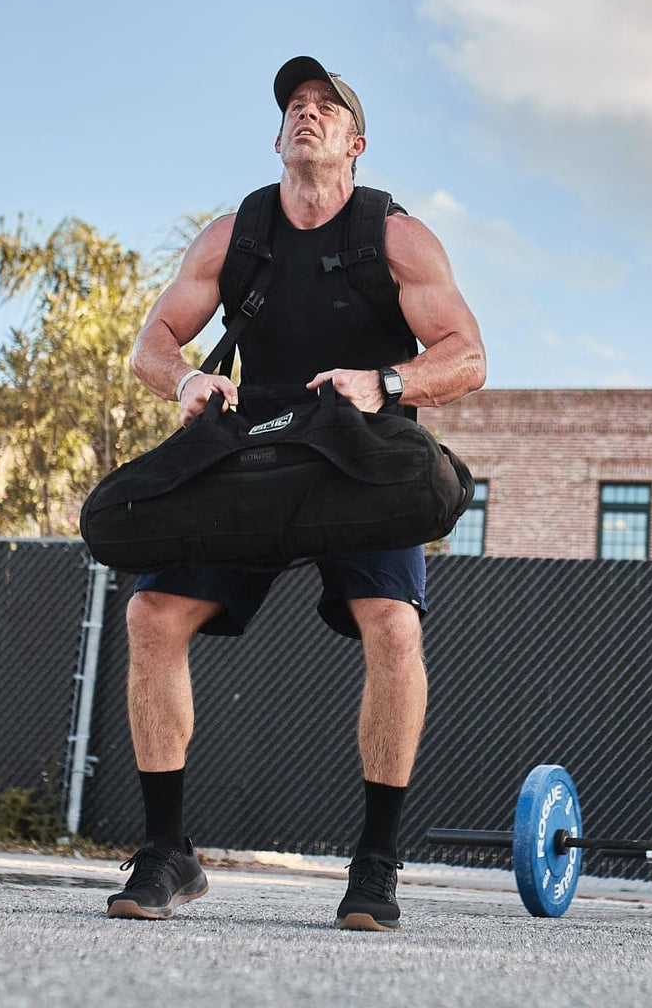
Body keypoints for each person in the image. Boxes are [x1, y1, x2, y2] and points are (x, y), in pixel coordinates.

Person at [107, 56, 486, 931]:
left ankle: (377, 862)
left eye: (326, 107)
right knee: (150, 613)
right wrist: (183, 384)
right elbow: (153, 340)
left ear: (355, 142)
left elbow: (468, 356)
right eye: (295, 108)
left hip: (363, 450)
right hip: (256, 448)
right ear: (279, 138)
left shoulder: (397, 237)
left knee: (393, 625)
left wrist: (385, 384)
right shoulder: (233, 234)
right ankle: (167, 852)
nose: (307, 115)